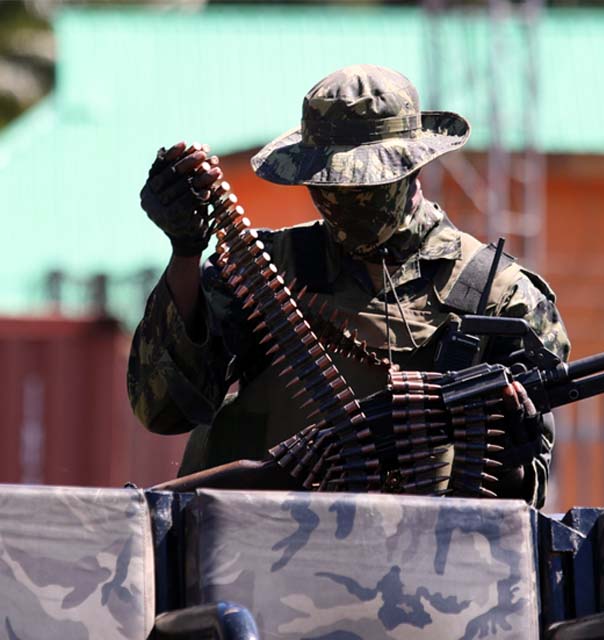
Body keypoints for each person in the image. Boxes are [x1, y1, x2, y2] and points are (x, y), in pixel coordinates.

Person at [127, 64, 570, 507]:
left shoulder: (500, 295)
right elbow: (163, 409)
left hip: (426, 560)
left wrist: (511, 447)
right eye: (331, 184)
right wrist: (184, 254)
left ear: (413, 166)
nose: (346, 200)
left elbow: (522, 496)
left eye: (366, 184)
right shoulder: (265, 268)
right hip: (258, 548)